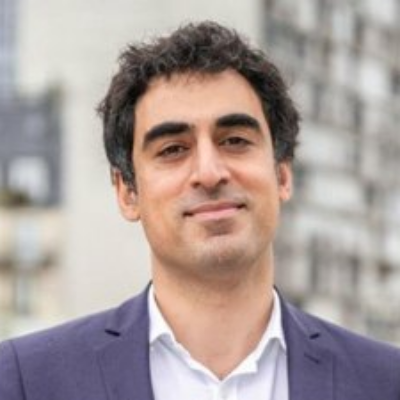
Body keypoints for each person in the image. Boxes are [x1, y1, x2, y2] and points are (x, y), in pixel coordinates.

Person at [0, 21, 399, 400]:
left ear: (282, 174)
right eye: (173, 149)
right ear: (127, 192)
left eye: (235, 140)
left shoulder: (386, 381)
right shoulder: (27, 381)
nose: (209, 173)